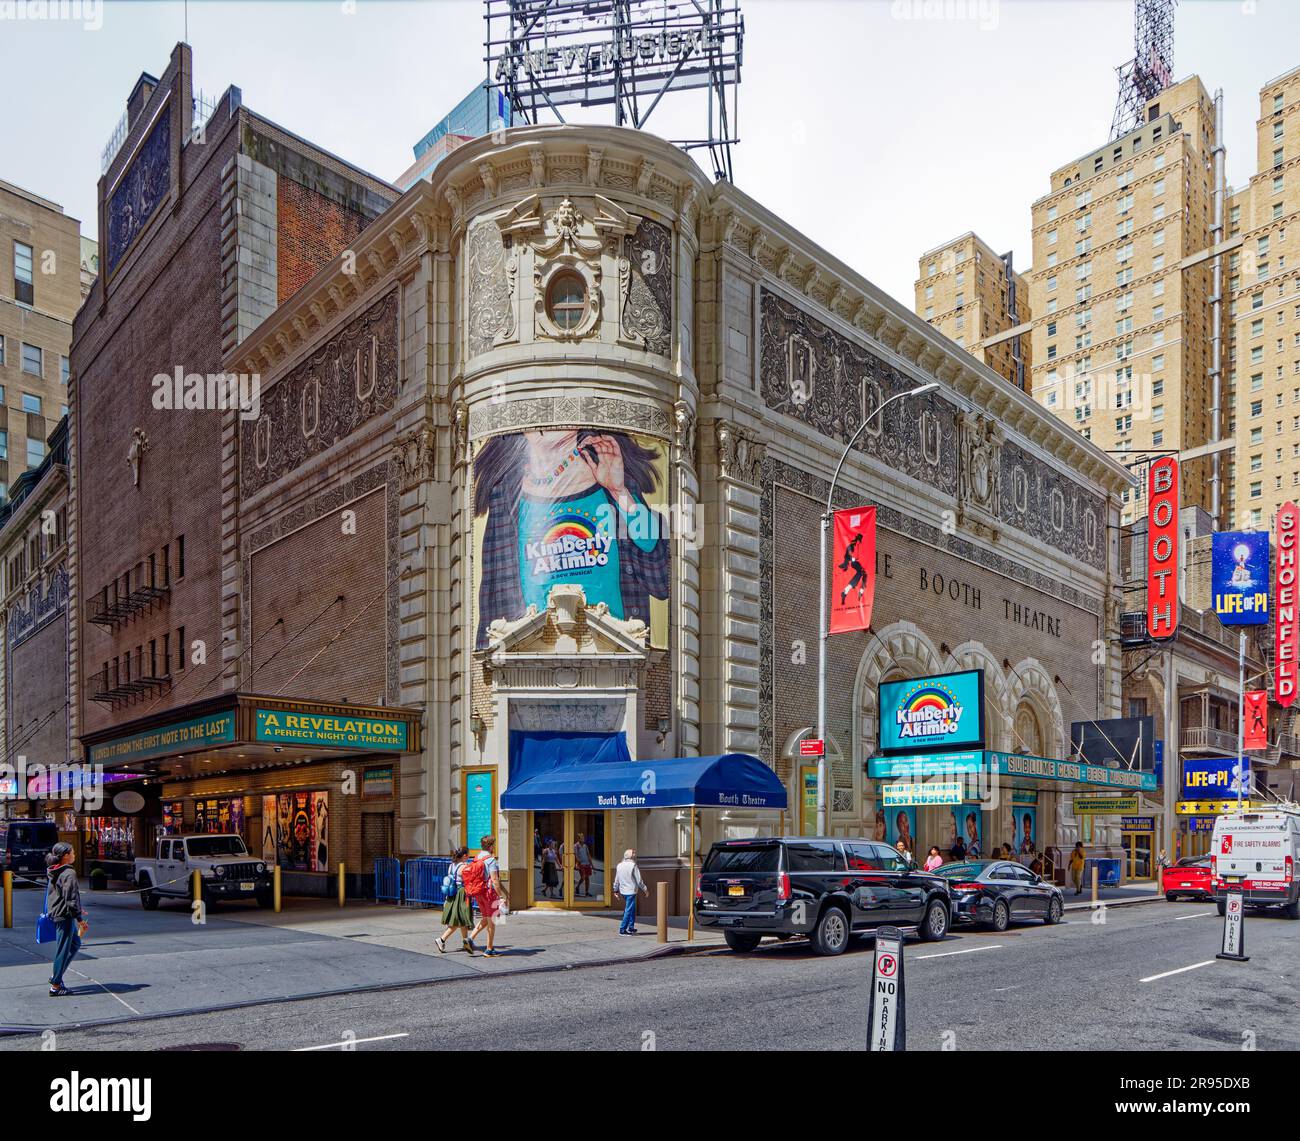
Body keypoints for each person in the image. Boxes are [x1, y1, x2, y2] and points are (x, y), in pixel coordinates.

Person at [45, 843, 88, 997]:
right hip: (65, 915)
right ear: (65, 856)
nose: (75, 854)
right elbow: (71, 897)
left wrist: (76, 909)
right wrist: (79, 919)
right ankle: (56, 985)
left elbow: (60, 895)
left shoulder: (54, 870)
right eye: (73, 852)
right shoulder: (68, 872)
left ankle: (56, 974)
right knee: (63, 949)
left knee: (75, 944)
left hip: (59, 912)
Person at [466, 835, 510, 956]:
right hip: (489, 893)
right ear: (490, 846)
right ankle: (489, 949)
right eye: (493, 845)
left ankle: (469, 939)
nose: (494, 847)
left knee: (486, 917)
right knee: (492, 920)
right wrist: (501, 896)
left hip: (478, 892)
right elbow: (495, 880)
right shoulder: (491, 860)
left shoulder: (477, 857)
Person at [436, 846, 476, 955]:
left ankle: (466, 942)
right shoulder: (464, 866)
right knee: (458, 920)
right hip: (461, 893)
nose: (468, 857)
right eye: (468, 855)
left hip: (452, 894)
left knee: (461, 919)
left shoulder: (451, 866)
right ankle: (442, 939)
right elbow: (470, 880)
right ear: (464, 856)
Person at [614, 848, 648, 936]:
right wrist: (645, 890)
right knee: (628, 910)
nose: (635, 855)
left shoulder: (619, 865)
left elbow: (616, 880)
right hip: (631, 891)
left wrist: (615, 890)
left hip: (623, 891)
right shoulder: (633, 865)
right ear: (630, 855)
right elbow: (639, 880)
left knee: (631, 909)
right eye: (633, 853)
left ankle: (631, 928)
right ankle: (622, 930)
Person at [573, 833, 594, 898]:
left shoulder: (585, 846)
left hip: (587, 863)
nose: (583, 839)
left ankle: (586, 892)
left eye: (583, 838)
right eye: (582, 838)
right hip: (581, 864)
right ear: (579, 839)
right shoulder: (576, 846)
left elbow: (588, 855)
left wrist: (592, 864)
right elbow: (575, 855)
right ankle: (577, 887)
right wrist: (578, 862)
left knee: (587, 878)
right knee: (583, 877)